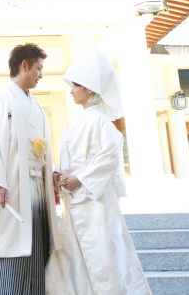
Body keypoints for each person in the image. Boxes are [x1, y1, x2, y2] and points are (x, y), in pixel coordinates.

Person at [46, 43, 151, 295]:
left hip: (95, 202)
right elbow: (73, 158)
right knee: (75, 256)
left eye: (76, 86)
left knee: (101, 255)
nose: (72, 91)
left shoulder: (101, 120)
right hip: (76, 201)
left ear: (90, 89)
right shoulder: (80, 120)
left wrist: (80, 178)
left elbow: (109, 157)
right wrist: (58, 172)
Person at [0, 43, 61, 295]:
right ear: (24, 66)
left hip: (36, 190)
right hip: (10, 189)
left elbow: (43, 152)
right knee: (9, 246)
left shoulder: (37, 107)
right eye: (39, 68)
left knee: (36, 246)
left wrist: (49, 182)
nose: (41, 75)